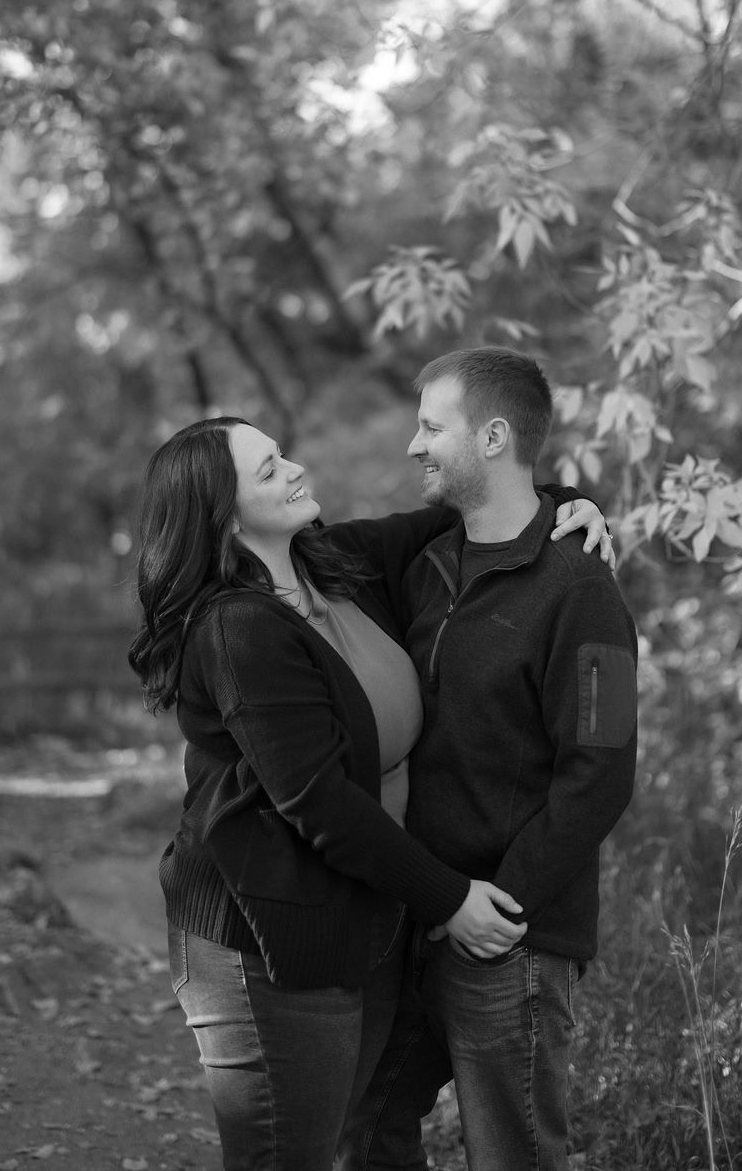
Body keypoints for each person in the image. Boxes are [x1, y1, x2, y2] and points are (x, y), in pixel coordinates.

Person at [128, 414, 612, 1171]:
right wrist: (449, 898)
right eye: (268, 470)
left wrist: (571, 504)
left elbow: (480, 502)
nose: (294, 468)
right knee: (291, 1155)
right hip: (263, 931)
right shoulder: (237, 629)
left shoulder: (332, 560)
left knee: (353, 1135)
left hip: (365, 913)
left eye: (282, 453)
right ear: (224, 516)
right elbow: (321, 803)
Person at [338, 347, 638, 1171]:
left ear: (494, 437)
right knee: (362, 1131)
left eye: (432, 428)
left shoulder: (582, 588)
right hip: (416, 921)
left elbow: (603, 772)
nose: (414, 445)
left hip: (512, 941)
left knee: (515, 1157)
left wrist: (498, 905)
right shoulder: (428, 565)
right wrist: (435, 899)